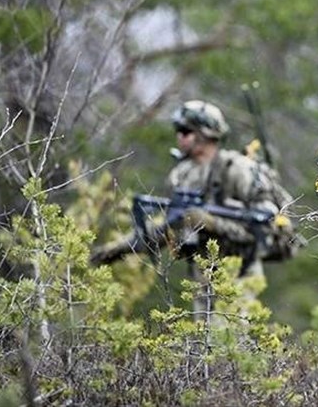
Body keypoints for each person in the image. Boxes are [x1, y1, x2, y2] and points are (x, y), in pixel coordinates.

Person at [91, 100, 293, 317]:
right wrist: (116, 250)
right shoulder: (183, 174)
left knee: (230, 341)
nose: (179, 136)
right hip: (202, 278)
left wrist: (211, 222)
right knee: (205, 344)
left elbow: (263, 228)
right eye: (178, 131)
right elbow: (166, 227)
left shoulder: (237, 170)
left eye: (185, 131)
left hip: (240, 274)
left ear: (205, 134)